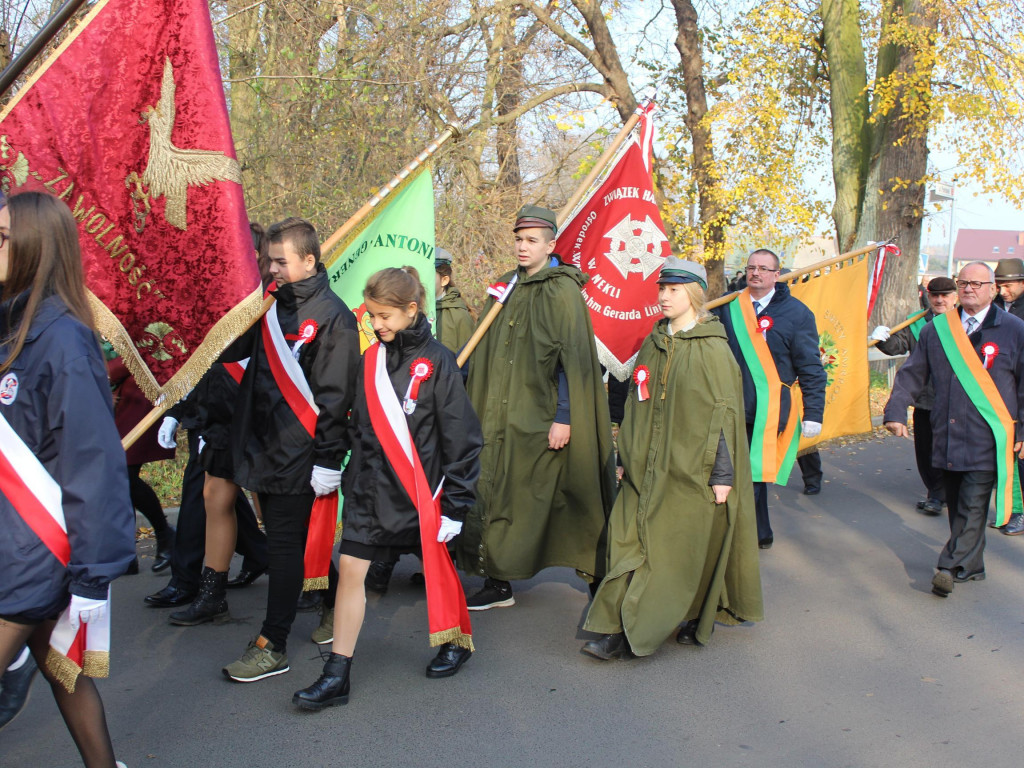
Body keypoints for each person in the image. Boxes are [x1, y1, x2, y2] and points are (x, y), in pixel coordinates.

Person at [293, 267, 482, 710]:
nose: (375, 324)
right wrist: (334, 464)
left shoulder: (439, 362)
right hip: (367, 492)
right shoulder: (371, 360)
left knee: (439, 568)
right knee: (351, 574)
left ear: (411, 310)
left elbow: (463, 440)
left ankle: (455, 640)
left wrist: (455, 505)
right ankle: (336, 672)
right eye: (373, 316)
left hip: (419, 495)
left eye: (384, 316)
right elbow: (354, 421)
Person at [0, 191, 135, 766]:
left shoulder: (63, 339)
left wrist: (92, 576)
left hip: (34, 551)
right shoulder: (10, 325)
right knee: (64, 670)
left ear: (34, 247)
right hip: (11, 538)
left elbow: (94, 465)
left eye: (2, 236)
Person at [580, 258, 763, 660]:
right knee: (627, 544)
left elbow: (724, 419)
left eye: (674, 290)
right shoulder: (654, 341)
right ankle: (616, 626)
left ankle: (659, 624)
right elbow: (634, 403)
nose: (663, 296)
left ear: (694, 294)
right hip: (643, 468)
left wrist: (722, 475)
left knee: (672, 553)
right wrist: (625, 454)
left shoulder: (713, 350)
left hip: (688, 471)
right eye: (662, 288)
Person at [455, 205, 617, 609]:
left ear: (551, 244)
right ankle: (497, 581)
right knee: (493, 490)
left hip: (539, 413)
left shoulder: (561, 290)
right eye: (518, 239)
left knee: (554, 494)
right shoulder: (504, 287)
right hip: (497, 414)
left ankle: (599, 577)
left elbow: (572, 359)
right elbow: (485, 346)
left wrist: (564, 416)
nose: (523, 247)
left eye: (532, 241)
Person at [221, 217, 360, 682]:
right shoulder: (266, 306)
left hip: (301, 453)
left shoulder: (334, 317)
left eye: (281, 261)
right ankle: (330, 604)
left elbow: (336, 397)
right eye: (268, 260)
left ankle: (272, 644)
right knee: (295, 543)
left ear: (309, 260)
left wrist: (327, 460)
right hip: (262, 444)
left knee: (283, 546)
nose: (272, 268)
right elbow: (236, 360)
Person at [883, 262, 1024, 597]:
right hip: (946, 433)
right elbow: (912, 373)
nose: (969, 288)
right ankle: (971, 566)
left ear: (991, 287)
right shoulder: (937, 330)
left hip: (990, 437)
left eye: (977, 283)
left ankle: (947, 566)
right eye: (964, 283)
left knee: (974, 503)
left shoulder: (1014, 329)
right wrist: (896, 410)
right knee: (958, 502)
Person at [166, 225, 275, 626]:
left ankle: (314, 583)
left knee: (273, 504)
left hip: (260, 412)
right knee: (215, 496)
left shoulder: (269, 296)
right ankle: (212, 594)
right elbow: (203, 362)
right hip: (221, 414)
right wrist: (184, 411)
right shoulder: (215, 293)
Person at [713, 248, 827, 549]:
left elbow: (811, 367)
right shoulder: (726, 307)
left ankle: (745, 536)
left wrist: (814, 412)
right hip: (728, 404)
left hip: (769, 410)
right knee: (733, 472)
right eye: (751, 267)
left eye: (764, 268)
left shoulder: (798, 314)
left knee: (753, 473)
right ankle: (758, 531)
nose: (756, 273)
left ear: (777, 274)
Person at [870, 276, 958, 515]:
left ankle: (940, 496)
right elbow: (897, 346)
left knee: (949, 449)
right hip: (925, 399)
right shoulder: (916, 323)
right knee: (925, 450)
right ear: (927, 296)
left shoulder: (963, 322)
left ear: (955, 297)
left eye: (945, 295)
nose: (939, 300)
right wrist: (881, 339)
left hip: (956, 401)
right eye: (934, 295)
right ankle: (936, 492)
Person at [107, 355, 176, 572]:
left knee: (123, 474)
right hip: (129, 396)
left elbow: (132, 352)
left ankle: (164, 532)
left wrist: (99, 375)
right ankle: (128, 553)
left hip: (141, 398)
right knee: (121, 477)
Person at [433, 247, 475, 354]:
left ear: (444, 280)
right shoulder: (410, 310)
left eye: (429, 275)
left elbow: (469, 361)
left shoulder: (458, 316)